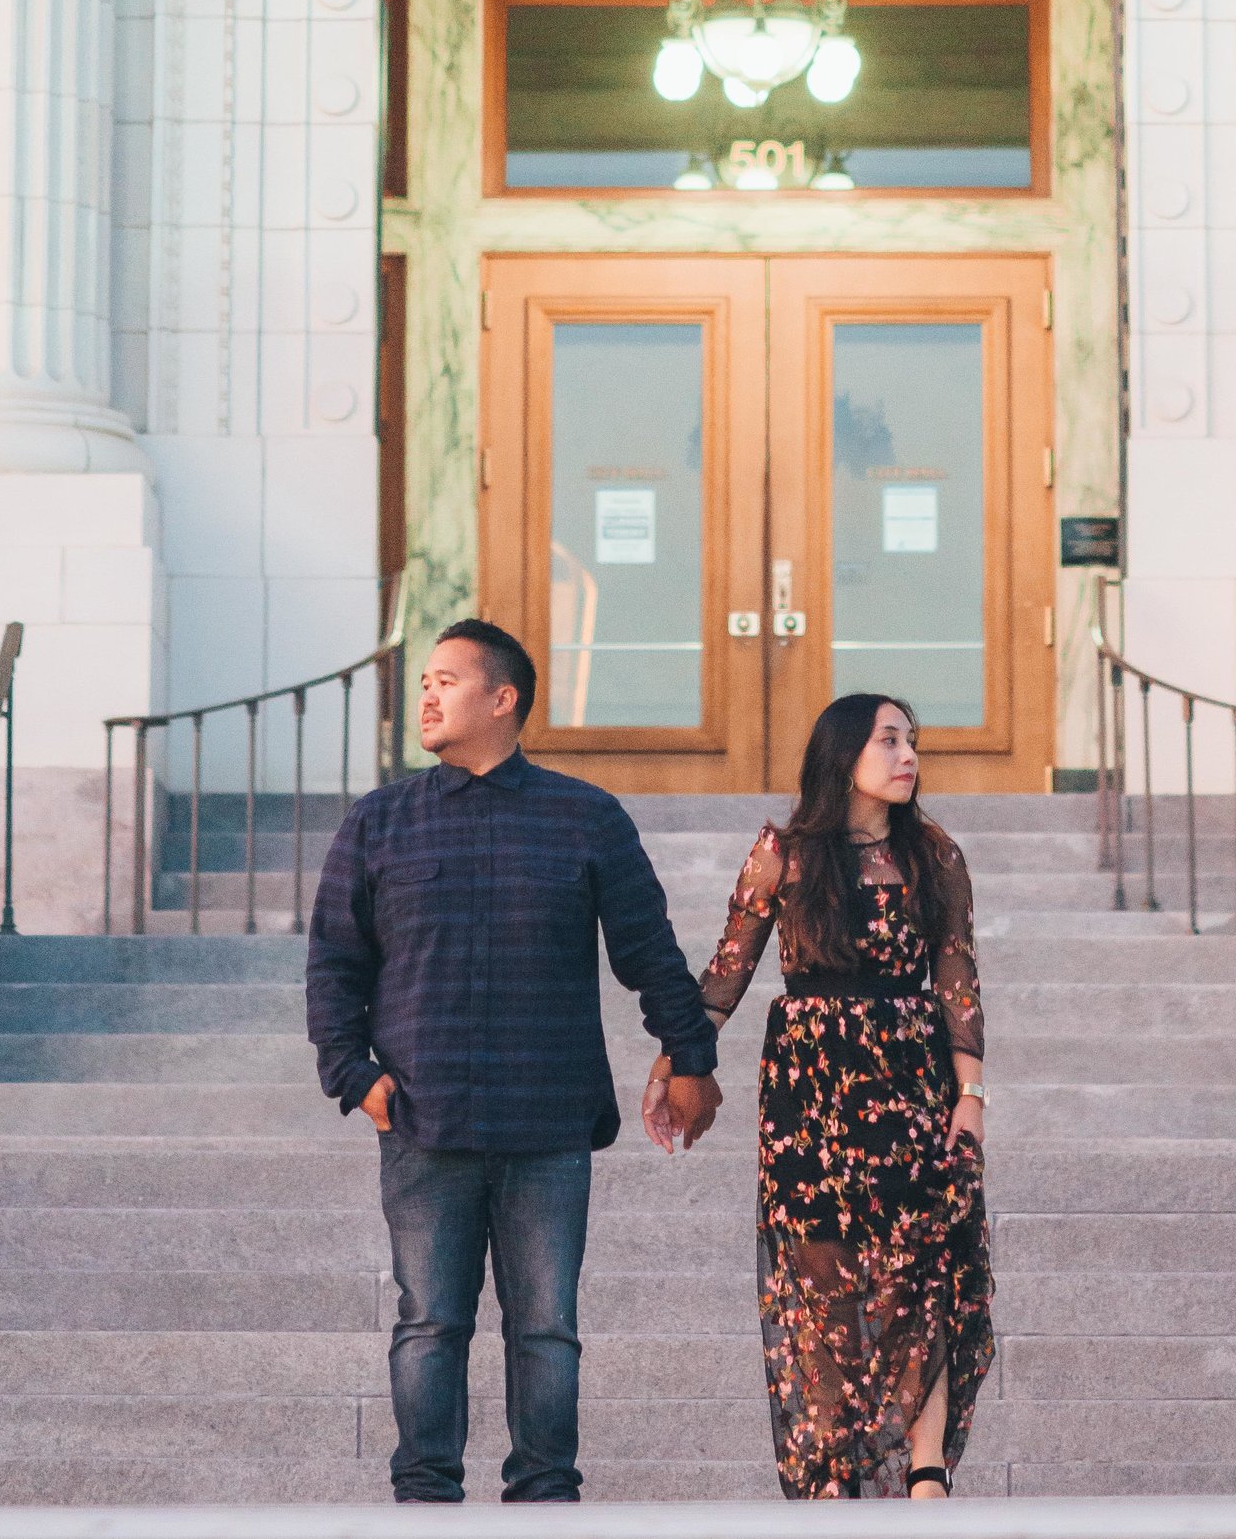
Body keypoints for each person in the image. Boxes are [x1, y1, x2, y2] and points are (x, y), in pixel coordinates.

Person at [307, 616, 725, 1503]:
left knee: (546, 1330)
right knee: (428, 1325)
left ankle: (546, 1503)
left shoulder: (585, 817)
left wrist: (689, 1056)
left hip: (547, 1124)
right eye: (423, 679)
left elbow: (648, 951)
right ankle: (423, 1501)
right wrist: (357, 1079)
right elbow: (335, 966)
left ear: (504, 701)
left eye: (447, 680)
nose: (427, 694)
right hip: (423, 1118)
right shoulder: (380, 822)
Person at [659, 691, 992, 1501]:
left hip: (910, 1075)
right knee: (820, 1277)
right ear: (843, 754)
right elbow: (728, 969)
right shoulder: (785, 852)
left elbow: (957, 975)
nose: (908, 756)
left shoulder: (934, 855)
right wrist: (680, 1058)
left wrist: (972, 1093)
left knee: (927, 1262)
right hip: (810, 1084)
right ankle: (836, 1473)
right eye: (889, 741)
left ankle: (924, 1469)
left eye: (913, 742)